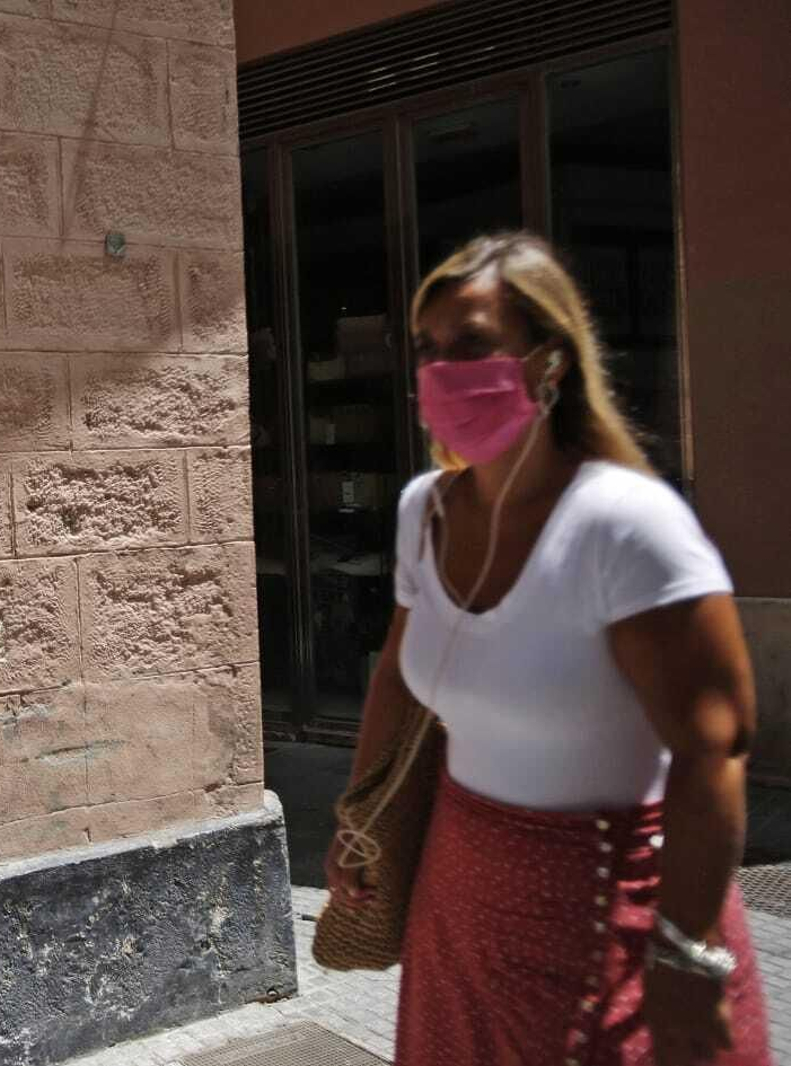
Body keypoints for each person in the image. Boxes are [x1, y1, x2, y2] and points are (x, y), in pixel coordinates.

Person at [325, 232, 772, 1066]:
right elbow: (398, 671)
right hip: (460, 906)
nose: (442, 369)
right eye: (428, 349)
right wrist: (362, 821)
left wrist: (687, 954)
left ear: (549, 363)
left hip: (610, 915)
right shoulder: (425, 512)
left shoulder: (624, 526)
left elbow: (715, 747)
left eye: (474, 345)